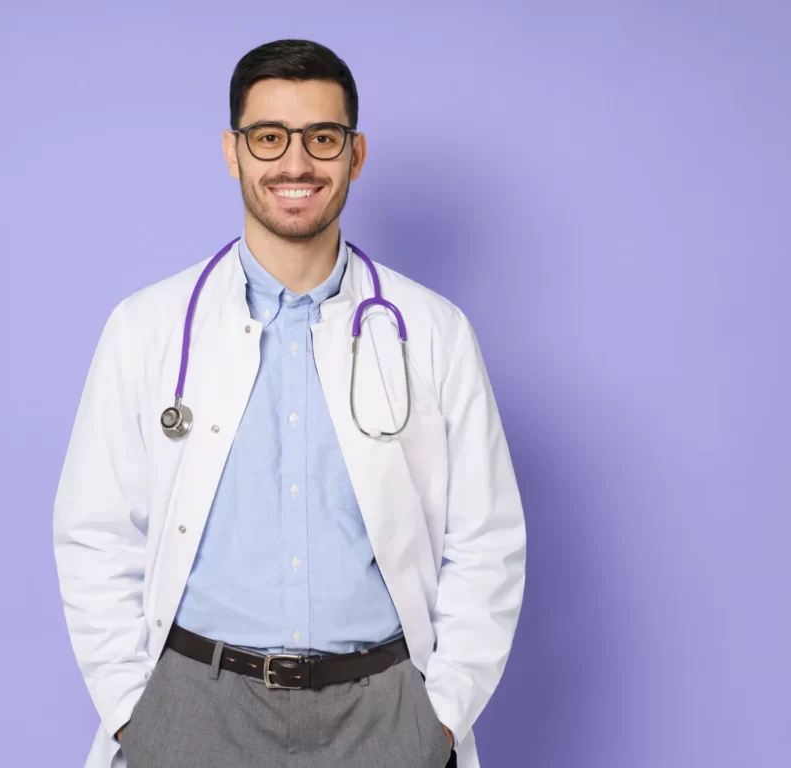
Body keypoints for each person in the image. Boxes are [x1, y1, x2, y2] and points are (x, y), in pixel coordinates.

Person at [53, 38, 526, 768]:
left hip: (383, 713)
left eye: (322, 138)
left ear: (355, 154)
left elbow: (486, 540)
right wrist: (131, 714)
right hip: (195, 707)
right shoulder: (145, 326)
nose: (296, 163)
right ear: (233, 151)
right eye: (270, 138)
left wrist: (439, 716)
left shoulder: (433, 331)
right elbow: (94, 532)